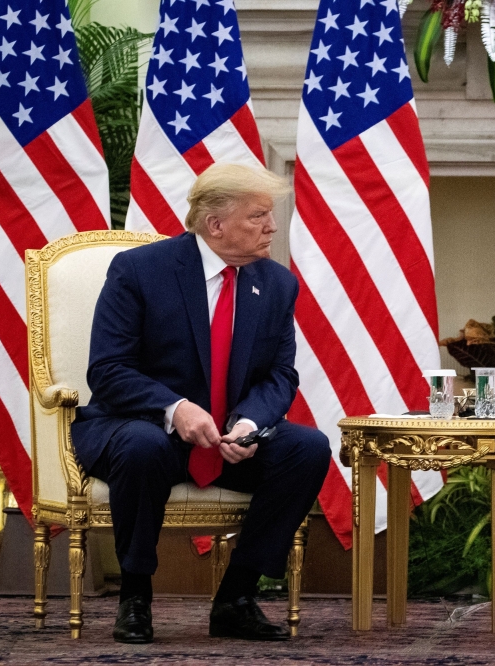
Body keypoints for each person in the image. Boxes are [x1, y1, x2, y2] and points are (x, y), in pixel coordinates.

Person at [71, 163, 331, 644]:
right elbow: (108, 369)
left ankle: (236, 597)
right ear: (216, 224)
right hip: (142, 428)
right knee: (144, 445)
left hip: (226, 439)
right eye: (258, 216)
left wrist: (248, 423)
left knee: (308, 449)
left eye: (270, 215)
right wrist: (176, 408)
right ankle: (135, 596)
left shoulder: (276, 284)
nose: (272, 226)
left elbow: (280, 374)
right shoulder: (139, 271)